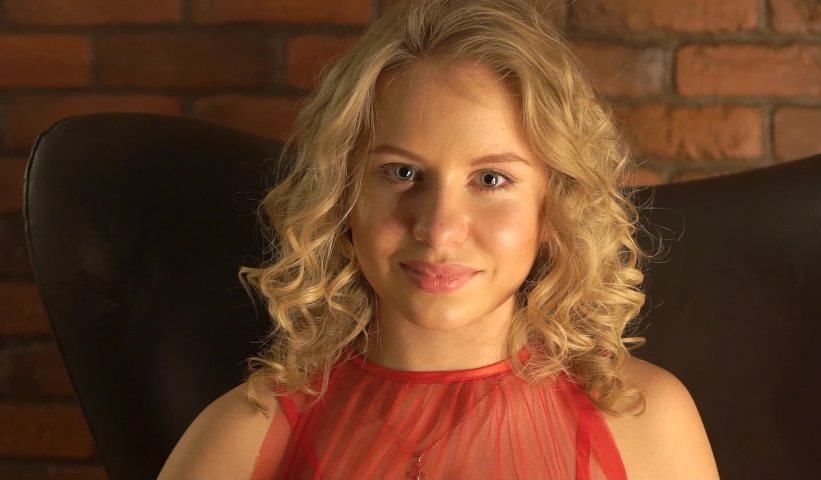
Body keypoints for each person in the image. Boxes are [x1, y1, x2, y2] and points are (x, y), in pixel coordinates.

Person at [158, 0, 719, 478]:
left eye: (491, 179)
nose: (438, 228)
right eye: (402, 172)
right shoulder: (239, 441)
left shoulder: (646, 423)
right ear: (342, 192)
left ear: (555, 203)